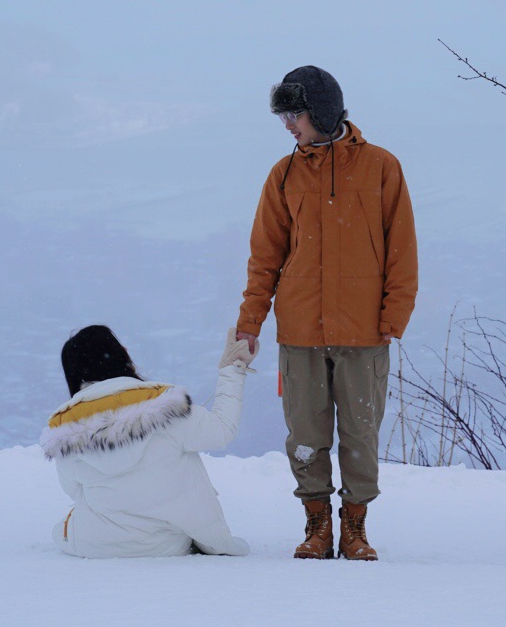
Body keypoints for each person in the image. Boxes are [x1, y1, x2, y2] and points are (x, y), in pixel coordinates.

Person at [236, 65, 418, 560]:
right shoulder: (284, 174)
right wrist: (249, 324)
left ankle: (355, 528)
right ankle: (317, 525)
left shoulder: (382, 166)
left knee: (361, 433)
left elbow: (401, 249)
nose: (288, 125)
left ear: (321, 110)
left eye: (294, 114)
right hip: (299, 329)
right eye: (284, 116)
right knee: (307, 436)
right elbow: (265, 257)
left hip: (365, 332)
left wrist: (391, 319)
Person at [42, 324, 253, 558]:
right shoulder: (165, 405)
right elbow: (221, 430)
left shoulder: (65, 429)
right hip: (167, 544)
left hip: (95, 544)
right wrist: (232, 368)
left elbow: (73, 490)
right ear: (122, 353)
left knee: (60, 528)